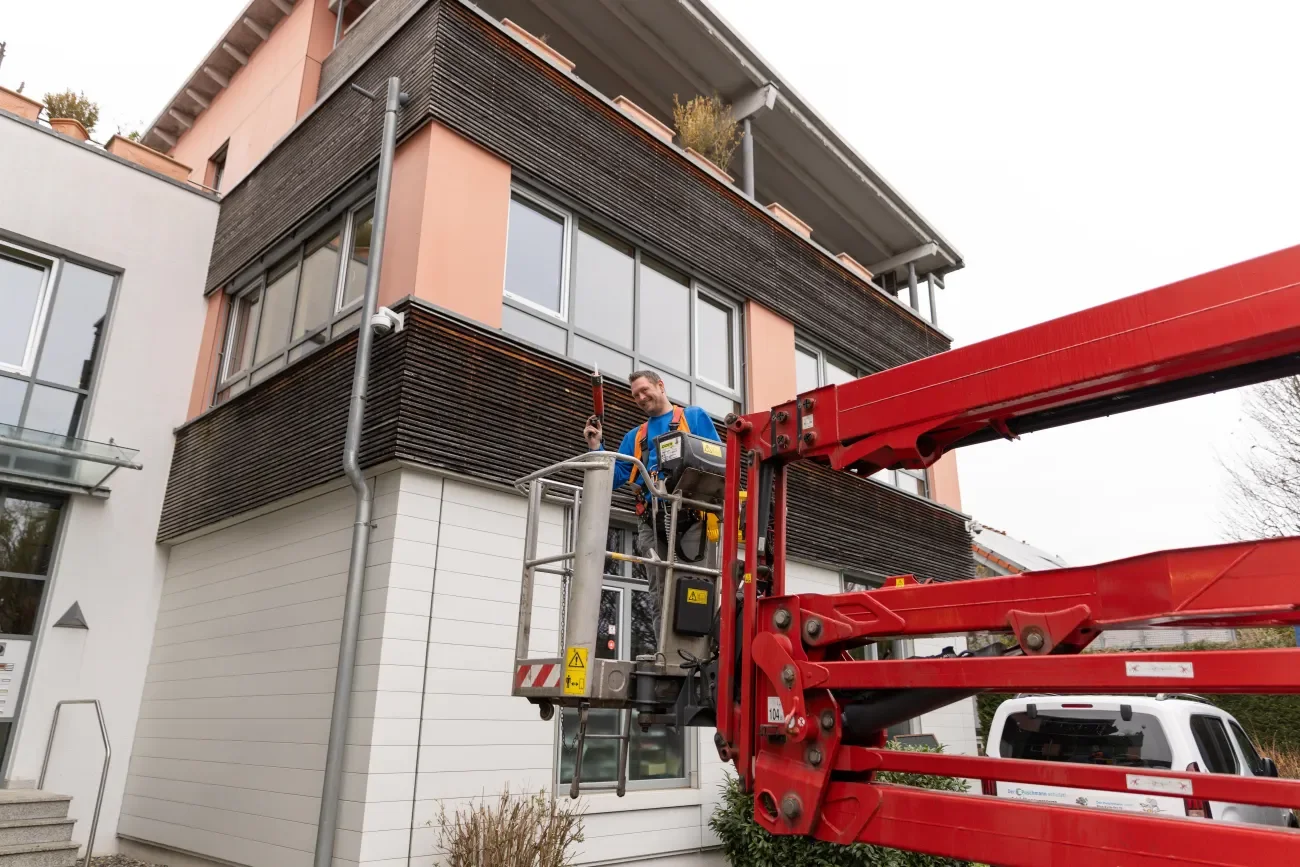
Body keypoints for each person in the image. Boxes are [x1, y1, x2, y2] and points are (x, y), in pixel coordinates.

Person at [583, 370, 721, 641]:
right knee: (658, 592)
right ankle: (663, 652)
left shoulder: (693, 418)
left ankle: (697, 653)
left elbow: (718, 460)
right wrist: (596, 447)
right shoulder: (635, 437)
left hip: (691, 517)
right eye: (635, 395)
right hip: (651, 520)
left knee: (694, 585)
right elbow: (614, 477)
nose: (641, 397)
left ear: (660, 385)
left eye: (645, 390)